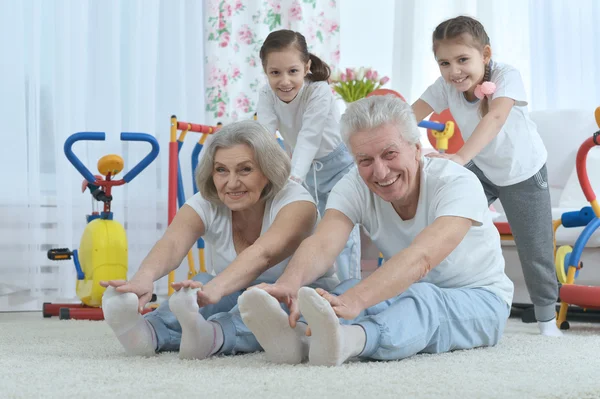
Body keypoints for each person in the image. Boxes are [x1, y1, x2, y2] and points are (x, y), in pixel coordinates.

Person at [238, 95, 514, 366]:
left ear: (417, 149)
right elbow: (323, 242)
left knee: (417, 299)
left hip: (482, 299)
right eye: (365, 161)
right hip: (407, 288)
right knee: (344, 288)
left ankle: (348, 341)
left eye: (390, 154)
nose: (380, 172)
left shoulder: (456, 182)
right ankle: (299, 337)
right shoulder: (353, 185)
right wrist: (290, 283)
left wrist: (355, 301)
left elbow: (421, 258)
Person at [100, 120, 338, 359]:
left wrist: (215, 289)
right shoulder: (206, 202)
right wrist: (144, 277)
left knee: (256, 304)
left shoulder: (296, 202)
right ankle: (148, 333)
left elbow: (263, 253)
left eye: (245, 169)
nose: (231, 183)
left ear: (268, 171)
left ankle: (213, 335)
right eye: (221, 170)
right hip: (237, 289)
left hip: (297, 294)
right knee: (200, 283)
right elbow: (172, 243)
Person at [411, 15, 561, 336]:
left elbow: (495, 118)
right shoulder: (445, 87)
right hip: (484, 168)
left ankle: (547, 320)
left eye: (463, 59)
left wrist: (460, 157)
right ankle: (445, 293)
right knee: (445, 218)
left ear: (486, 55)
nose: (454, 71)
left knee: (534, 247)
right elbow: (410, 114)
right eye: (444, 63)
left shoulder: (507, 76)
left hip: (523, 171)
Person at [256, 29, 361, 281]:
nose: (284, 81)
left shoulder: (319, 91)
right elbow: (264, 135)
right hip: (302, 170)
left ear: (306, 66)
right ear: (265, 71)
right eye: (275, 73)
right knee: (308, 231)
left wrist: (292, 179)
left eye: (292, 71)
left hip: (338, 168)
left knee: (341, 234)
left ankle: (348, 289)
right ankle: (315, 287)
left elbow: (309, 137)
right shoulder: (265, 94)